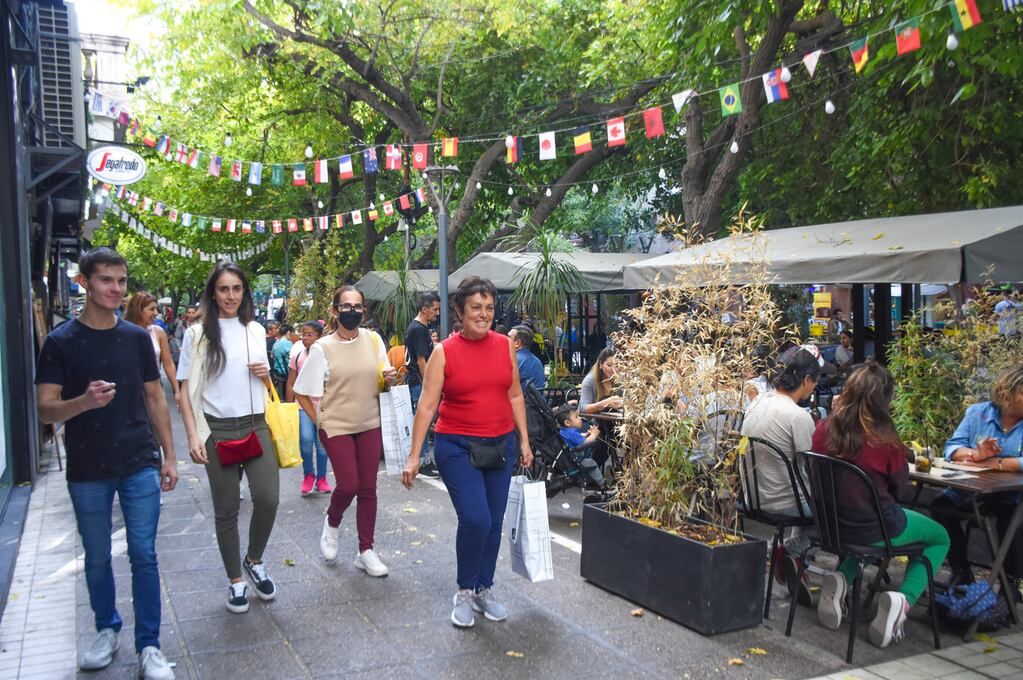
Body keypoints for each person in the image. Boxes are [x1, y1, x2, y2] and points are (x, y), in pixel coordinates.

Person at [35, 248, 177, 679]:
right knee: (96, 556)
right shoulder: (60, 341)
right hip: (87, 467)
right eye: (106, 280)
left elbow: (155, 397)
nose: (116, 289)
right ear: (84, 283)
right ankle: (106, 628)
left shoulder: (137, 337)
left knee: (143, 553)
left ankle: (149, 645)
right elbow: (45, 410)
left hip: (138, 461)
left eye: (121, 281)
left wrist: (170, 456)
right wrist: (83, 402)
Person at [400, 276, 533, 628]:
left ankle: (483, 589)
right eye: (476, 307)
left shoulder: (505, 345)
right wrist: (414, 456)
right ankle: (463, 590)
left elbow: (515, 394)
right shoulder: (444, 350)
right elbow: (427, 407)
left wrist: (524, 440)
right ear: (460, 311)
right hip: (456, 445)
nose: (484, 314)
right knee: (476, 518)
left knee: (493, 522)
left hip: (501, 445)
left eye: (489, 308)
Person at [812, 362, 949, 649]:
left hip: (830, 526)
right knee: (938, 536)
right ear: (885, 400)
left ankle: (841, 578)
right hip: (873, 528)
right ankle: (904, 600)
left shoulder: (823, 429)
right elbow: (900, 490)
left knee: (870, 524)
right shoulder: (884, 441)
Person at [177, 261, 280, 614]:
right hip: (216, 428)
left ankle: (254, 559)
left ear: (244, 292)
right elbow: (184, 390)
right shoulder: (196, 335)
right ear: (213, 292)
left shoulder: (255, 329)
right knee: (227, 509)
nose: (230, 296)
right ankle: (235, 580)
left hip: (255, 424)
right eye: (224, 289)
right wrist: (192, 436)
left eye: (237, 288)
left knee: (268, 499)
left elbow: (264, 383)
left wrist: (267, 375)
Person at [294, 286, 396, 576]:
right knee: (348, 484)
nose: (353, 312)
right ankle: (333, 518)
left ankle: (366, 551)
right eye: (346, 306)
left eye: (358, 307)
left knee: (368, 489)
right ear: (335, 310)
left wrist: (389, 378)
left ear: (364, 310)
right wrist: (320, 421)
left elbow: (383, 379)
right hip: (336, 425)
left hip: (369, 423)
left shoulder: (374, 340)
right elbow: (301, 392)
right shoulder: (323, 347)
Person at [929, 365, 1023, 589]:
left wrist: (999, 463)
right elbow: (952, 449)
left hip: (1013, 494)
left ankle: (1009, 586)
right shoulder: (978, 413)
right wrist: (977, 454)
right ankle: (961, 570)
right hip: (972, 487)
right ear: (1007, 392)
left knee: (1013, 520)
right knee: (940, 506)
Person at [740, 346, 819, 605]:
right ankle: (790, 551)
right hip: (784, 504)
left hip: (752, 499)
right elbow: (814, 467)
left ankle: (793, 559)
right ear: (807, 381)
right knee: (839, 514)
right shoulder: (798, 416)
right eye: (814, 382)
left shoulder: (757, 403)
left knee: (804, 491)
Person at [287, 321, 330, 496]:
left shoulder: (327, 357)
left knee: (322, 445)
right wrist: (289, 407)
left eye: (309, 335)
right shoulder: (297, 356)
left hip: (323, 406)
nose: (305, 338)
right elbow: (291, 383)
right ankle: (308, 475)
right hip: (302, 406)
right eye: (303, 334)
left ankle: (322, 478)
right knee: (305, 442)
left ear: (319, 337)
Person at [404, 292, 441, 479]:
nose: (437, 313)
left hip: (417, 381)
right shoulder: (418, 329)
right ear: (424, 309)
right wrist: (430, 385)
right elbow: (421, 361)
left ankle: (424, 458)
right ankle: (424, 459)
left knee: (424, 421)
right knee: (424, 422)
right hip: (419, 382)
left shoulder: (418, 327)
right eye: (435, 309)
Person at [124, 292, 180, 409]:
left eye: (156, 309)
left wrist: (177, 390)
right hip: (129, 388)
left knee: (158, 425)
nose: (156, 313)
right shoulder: (123, 332)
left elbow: (168, 363)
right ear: (138, 310)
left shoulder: (158, 332)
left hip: (155, 388)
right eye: (151, 309)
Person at [556, 405, 605, 488]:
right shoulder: (572, 432)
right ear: (567, 423)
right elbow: (585, 443)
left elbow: (577, 437)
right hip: (577, 459)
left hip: (569, 457)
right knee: (591, 463)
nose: (580, 418)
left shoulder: (564, 431)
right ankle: (602, 484)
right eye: (576, 417)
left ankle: (590, 482)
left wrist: (586, 435)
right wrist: (594, 434)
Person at [509, 325, 545, 391]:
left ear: (517, 343)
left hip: (519, 400)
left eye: (509, 337)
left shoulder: (512, 360)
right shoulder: (537, 361)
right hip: (538, 400)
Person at [270, 323, 296, 398]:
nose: (292, 335)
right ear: (288, 332)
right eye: (292, 333)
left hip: (276, 371)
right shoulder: (287, 343)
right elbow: (294, 356)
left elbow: (272, 355)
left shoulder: (276, 342)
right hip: (285, 371)